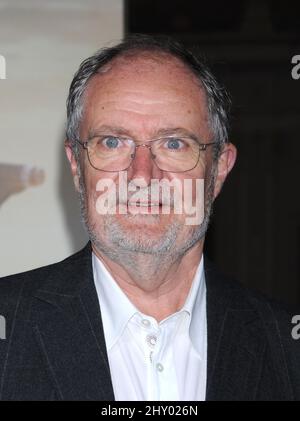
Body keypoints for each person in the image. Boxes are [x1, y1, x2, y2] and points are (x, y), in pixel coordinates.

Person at [0, 34, 299, 401]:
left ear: (219, 170)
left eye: (174, 143)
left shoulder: (287, 347)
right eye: (112, 142)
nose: (142, 175)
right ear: (77, 167)